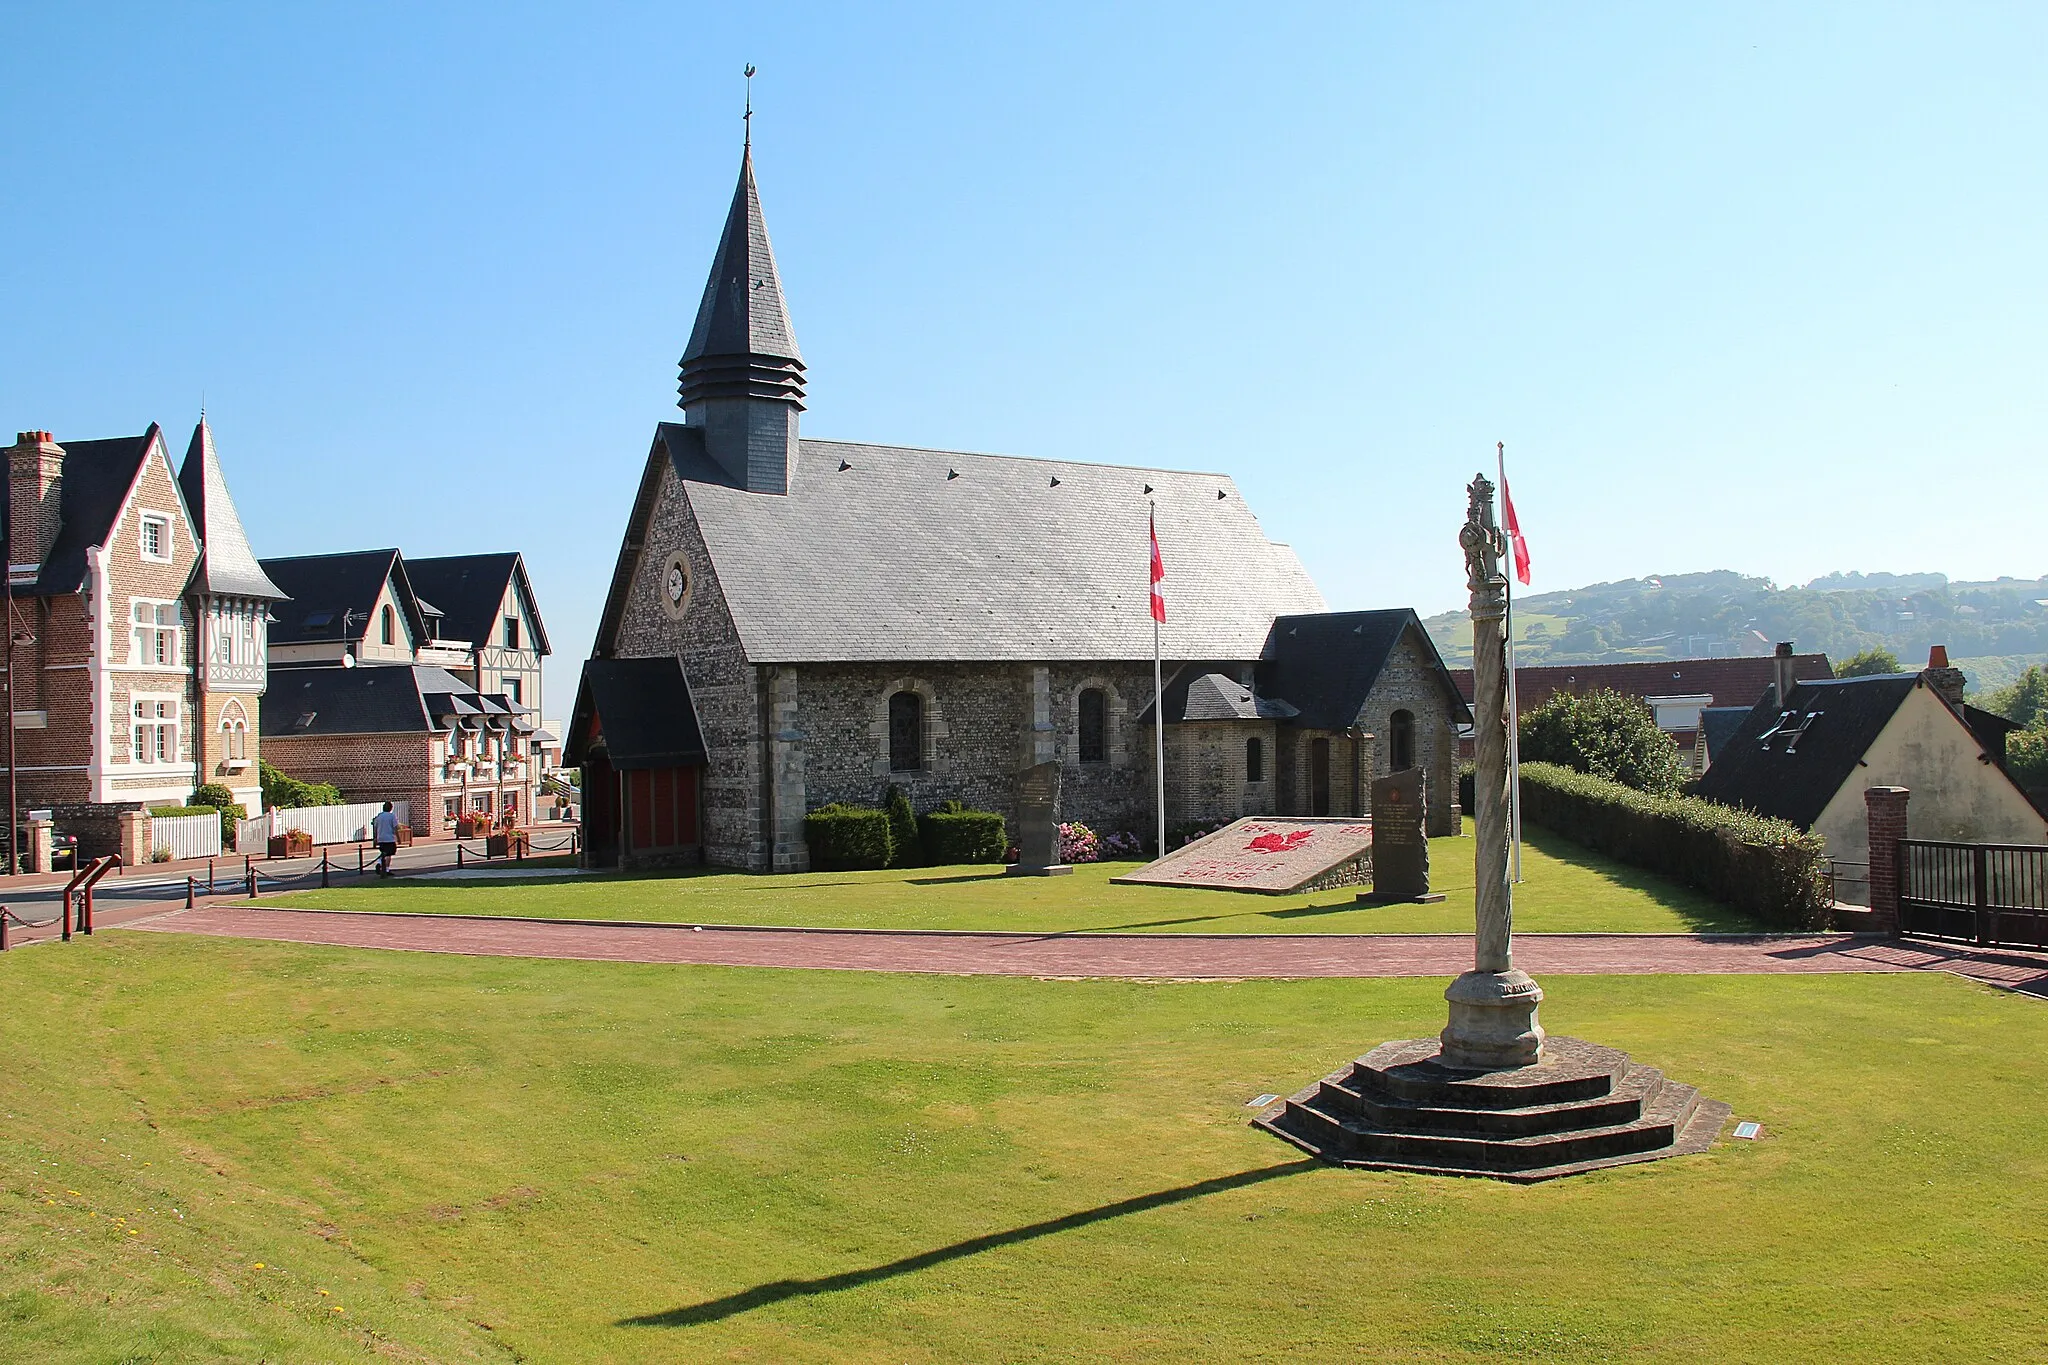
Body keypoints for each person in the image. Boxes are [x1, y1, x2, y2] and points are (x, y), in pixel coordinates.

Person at [370, 802, 401, 878]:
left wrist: (375, 838)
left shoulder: (379, 817)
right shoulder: (391, 816)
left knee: (383, 853)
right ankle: (386, 869)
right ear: (391, 808)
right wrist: (398, 838)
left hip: (381, 838)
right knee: (389, 854)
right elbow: (396, 828)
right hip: (389, 838)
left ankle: (380, 863)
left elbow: (375, 828)